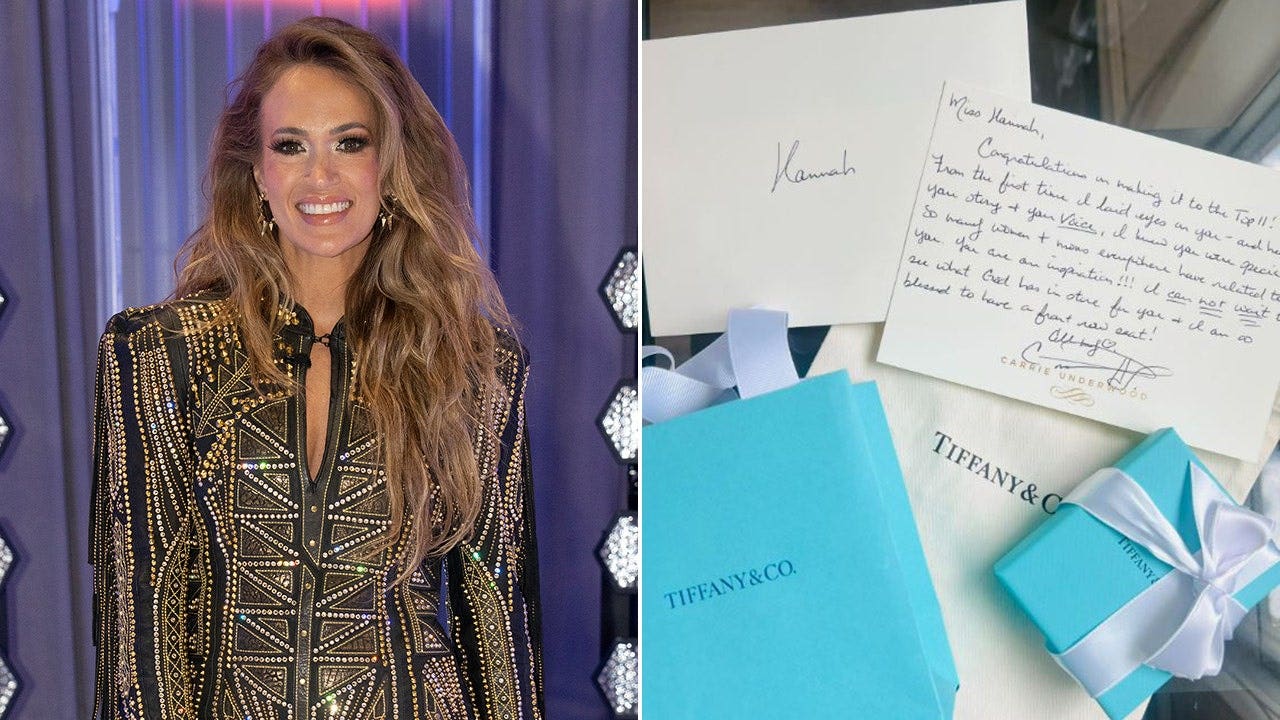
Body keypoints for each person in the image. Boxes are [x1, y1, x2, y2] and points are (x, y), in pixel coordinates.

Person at [89, 16, 542, 719]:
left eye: (350, 143)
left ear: (391, 165)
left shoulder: (473, 363)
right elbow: (139, 617)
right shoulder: (158, 352)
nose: (320, 176)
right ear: (257, 172)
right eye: (291, 146)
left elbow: (496, 613)